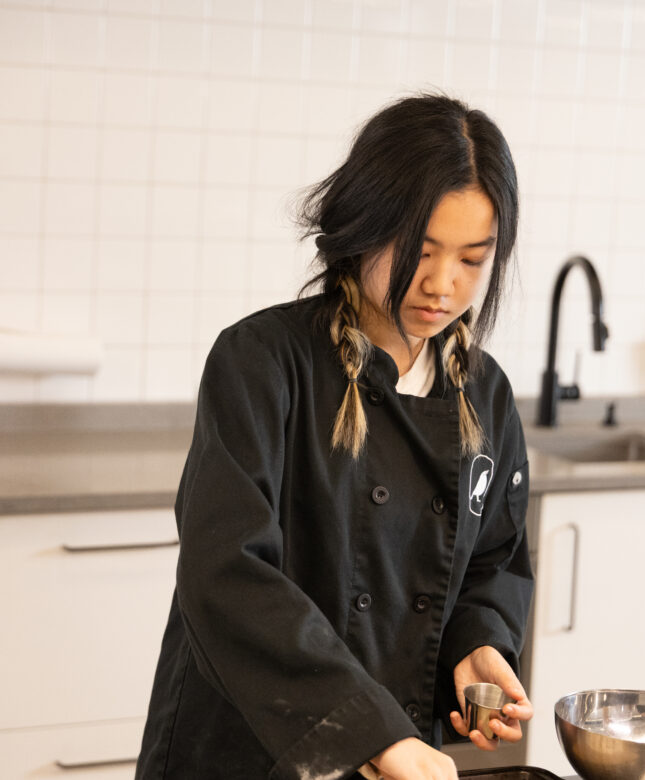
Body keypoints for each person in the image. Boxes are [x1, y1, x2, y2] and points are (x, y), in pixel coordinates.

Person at [136, 93, 534, 780]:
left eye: (472, 260)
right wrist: (367, 731)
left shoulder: (485, 395)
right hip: (246, 754)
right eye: (420, 251)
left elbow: (493, 560)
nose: (442, 284)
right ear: (362, 226)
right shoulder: (263, 362)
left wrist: (479, 644)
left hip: (400, 752)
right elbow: (226, 572)